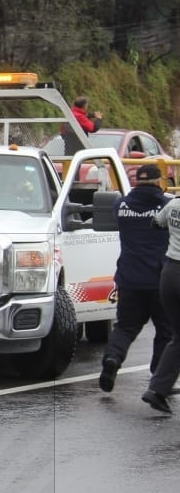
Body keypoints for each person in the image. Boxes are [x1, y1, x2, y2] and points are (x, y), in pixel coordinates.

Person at [99, 164, 172, 394]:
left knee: (125, 327)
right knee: (166, 330)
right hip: (159, 279)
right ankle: (158, 377)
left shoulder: (120, 205)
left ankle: (112, 359)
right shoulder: (167, 206)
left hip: (129, 278)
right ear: (158, 182)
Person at [142, 184, 180, 413]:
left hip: (169, 275)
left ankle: (156, 390)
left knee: (178, 338)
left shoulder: (173, 204)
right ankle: (158, 388)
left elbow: (155, 223)